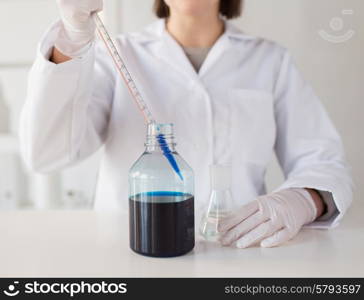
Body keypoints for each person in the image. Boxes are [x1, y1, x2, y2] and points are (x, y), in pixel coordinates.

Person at [19, 0, 352, 248]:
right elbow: (47, 154)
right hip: (130, 254)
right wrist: (70, 43)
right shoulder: (116, 54)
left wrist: (305, 199)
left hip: (242, 251)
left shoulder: (270, 60)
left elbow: (321, 159)